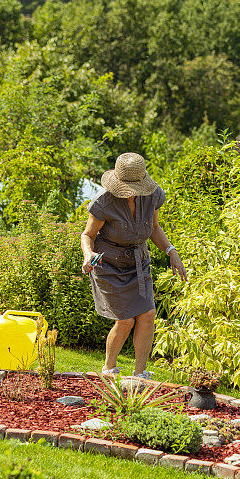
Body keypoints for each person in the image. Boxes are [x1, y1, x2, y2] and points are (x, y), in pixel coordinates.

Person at [80, 152, 187, 379]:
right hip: (108, 264)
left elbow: (155, 229)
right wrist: (88, 254)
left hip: (138, 261)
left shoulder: (153, 195)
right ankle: (109, 368)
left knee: (147, 314)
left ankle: (140, 375)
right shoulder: (104, 201)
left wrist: (171, 251)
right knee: (126, 319)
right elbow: (88, 234)